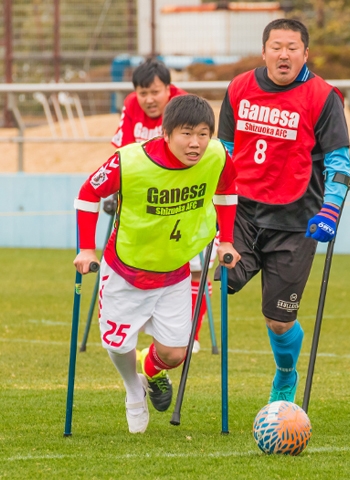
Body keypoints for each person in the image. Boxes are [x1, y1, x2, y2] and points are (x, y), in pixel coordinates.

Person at [73, 94, 240, 433]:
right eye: (187, 133)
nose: (196, 143)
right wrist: (86, 249)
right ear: (165, 133)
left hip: (175, 270)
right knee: (118, 345)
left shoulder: (217, 156)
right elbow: (89, 194)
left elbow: (227, 189)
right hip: (126, 271)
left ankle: (151, 372)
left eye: (204, 133)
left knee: (176, 353)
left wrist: (226, 240)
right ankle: (133, 388)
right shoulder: (129, 161)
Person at [215, 18, 350, 404]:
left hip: (296, 222)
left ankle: (285, 374)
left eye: (293, 47)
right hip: (241, 211)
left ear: (305, 54)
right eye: (276, 46)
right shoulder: (240, 87)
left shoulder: (323, 97)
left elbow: (340, 165)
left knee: (279, 320)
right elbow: (223, 151)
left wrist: (330, 212)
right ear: (264, 51)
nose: (284, 54)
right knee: (222, 281)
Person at [109, 58, 213, 354]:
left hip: (184, 203)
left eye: (155, 92)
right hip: (144, 206)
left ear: (169, 89)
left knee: (195, 266)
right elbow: (123, 151)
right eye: (143, 93)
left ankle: (191, 330)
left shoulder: (185, 108)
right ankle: (141, 326)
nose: (149, 99)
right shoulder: (131, 105)